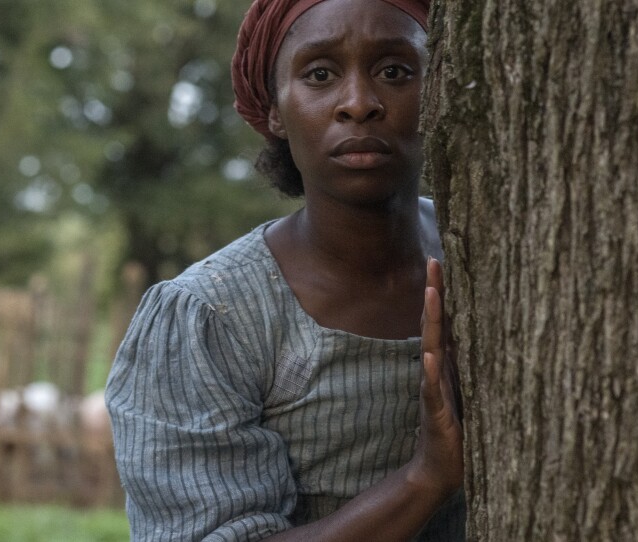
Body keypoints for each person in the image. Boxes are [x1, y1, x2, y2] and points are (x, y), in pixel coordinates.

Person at [105, 0, 466, 539]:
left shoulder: (477, 255)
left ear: (436, 91)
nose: (359, 103)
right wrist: (425, 478)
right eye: (320, 74)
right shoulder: (211, 317)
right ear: (275, 107)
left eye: (395, 71)